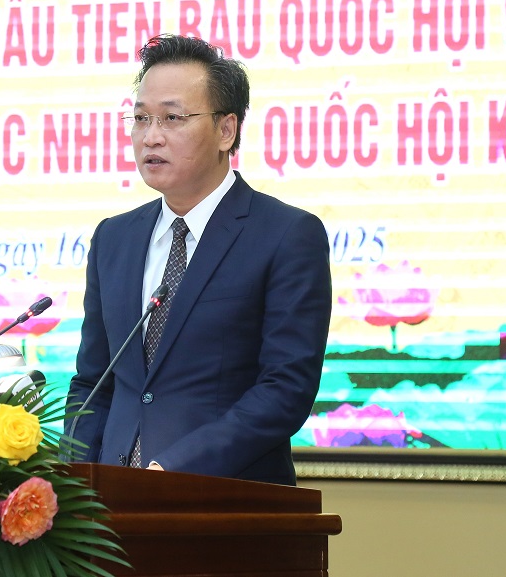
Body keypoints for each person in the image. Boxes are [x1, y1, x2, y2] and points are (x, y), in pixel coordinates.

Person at [65, 34, 332, 486]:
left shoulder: (286, 235)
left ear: (226, 130)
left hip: (223, 502)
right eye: (141, 118)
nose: (151, 136)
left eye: (172, 118)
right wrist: (74, 481)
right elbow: (93, 382)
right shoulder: (114, 238)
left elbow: (285, 390)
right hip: (111, 508)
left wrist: (172, 471)